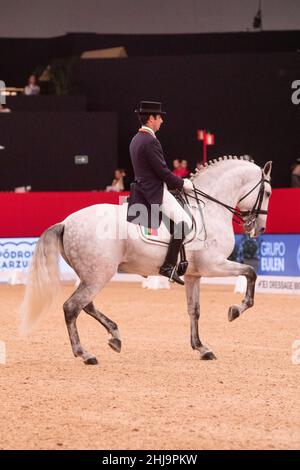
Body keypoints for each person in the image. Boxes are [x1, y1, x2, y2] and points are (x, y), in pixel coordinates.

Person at [127, 100, 193, 285]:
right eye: (159, 117)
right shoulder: (150, 141)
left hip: (140, 188)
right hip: (153, 191)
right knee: (184, 221)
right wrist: (182, 183)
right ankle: (168, 265)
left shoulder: (135, 139)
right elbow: (162, 172)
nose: (162, 121)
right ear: (151, 118)